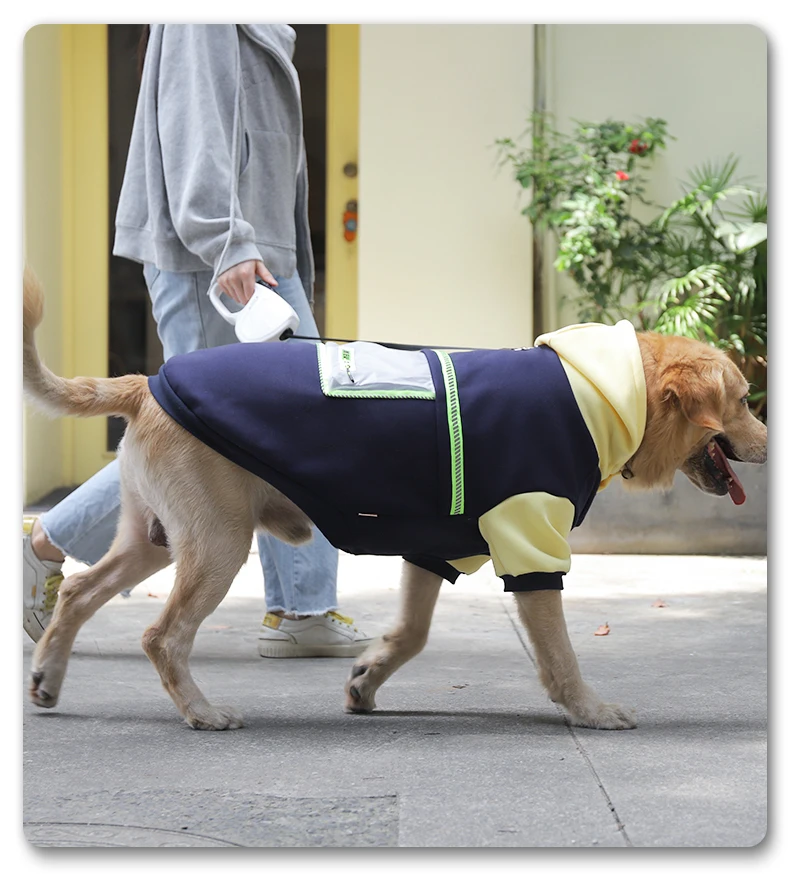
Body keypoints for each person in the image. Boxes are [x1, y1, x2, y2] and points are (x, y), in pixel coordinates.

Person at [23, 24, 372, 658]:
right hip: (218, 256)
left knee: (251, 432)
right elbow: (194, 121)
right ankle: (45, 546)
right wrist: (225, 240)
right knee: (196, 440)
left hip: (254, 251)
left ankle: (302, 608)